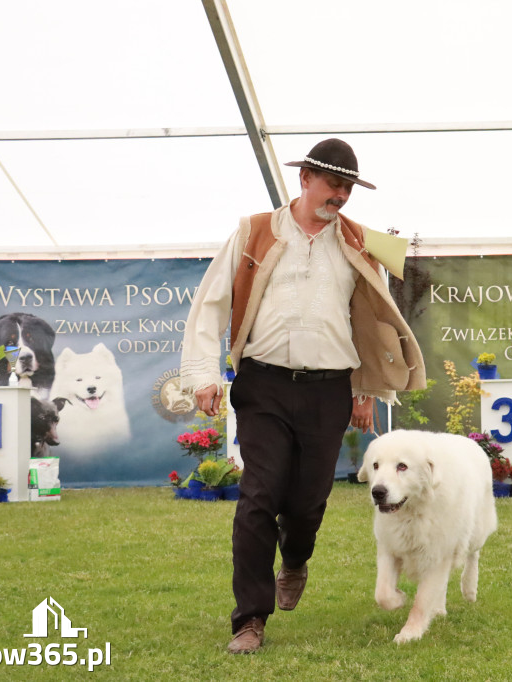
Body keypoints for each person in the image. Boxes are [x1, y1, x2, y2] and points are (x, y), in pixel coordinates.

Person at [179, 138, 426, 654]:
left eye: (348, 187)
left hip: (329, 389)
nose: (340, 195)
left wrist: (365, 390)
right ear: (305, 179)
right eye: (333, 184)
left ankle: (295, 560)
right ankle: (249, 619)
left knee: (307, 504)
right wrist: (204, 374)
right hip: (263, 383)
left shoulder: (358, 242)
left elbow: (368, 322)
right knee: (257, 498)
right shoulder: (255, 231)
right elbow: (211, 303)